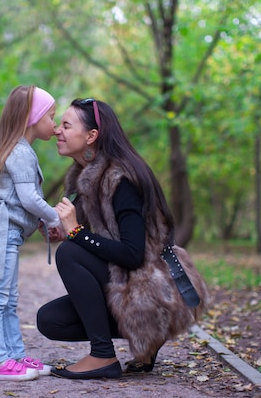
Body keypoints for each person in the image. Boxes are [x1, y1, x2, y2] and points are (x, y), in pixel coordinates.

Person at [37, 98, 208, 379]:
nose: (57, 131)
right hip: (127, 282)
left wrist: (77, 234)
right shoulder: (84, 177)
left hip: (153, 292)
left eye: (66, 125)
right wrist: (65, 231)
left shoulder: (121, 179)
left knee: (69, 253)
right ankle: (146, 341)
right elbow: (98, 240)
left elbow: (133, 254)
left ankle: (102, 355)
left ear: (92, 136)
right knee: (50, 320)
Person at [0, 85, 61, 381]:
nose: (55, 123)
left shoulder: (20, 150)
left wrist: (37, 222)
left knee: (8, 299)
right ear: (32, 118)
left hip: (6, 235)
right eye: (51, 116)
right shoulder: (20, 152)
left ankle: (14, 356)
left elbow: (20, 201)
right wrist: (55, 218)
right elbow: (29, 200)